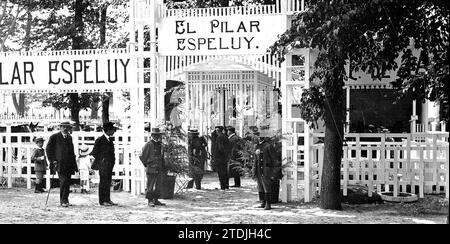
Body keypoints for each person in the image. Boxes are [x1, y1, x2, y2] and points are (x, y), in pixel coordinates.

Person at [45, 121, 78, 207]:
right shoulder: (54, 137)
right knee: (63, 181)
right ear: (60, 127)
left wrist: (74, 164)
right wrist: (52, 160)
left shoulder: (69, 137)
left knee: (67, 182)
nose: (66, 129)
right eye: (64, 127)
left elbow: (71, 151)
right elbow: (48, 149)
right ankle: (62, 200)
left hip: (69, 164)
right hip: (59, 164)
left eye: (67, 127)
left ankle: (66, 200)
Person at [90, 122, 118, 206]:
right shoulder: (100, 140)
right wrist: (102, 160)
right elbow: (94, 152)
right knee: (103, 182)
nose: (114, 131)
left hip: (109, 164)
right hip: (103, 164)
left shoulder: (109, 139)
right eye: (112, 129)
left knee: (108, 181)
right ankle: (102, 200)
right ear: (108, 130)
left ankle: (107, 199)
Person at [254, 131, 282, 210]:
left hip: (266, 169)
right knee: (260, 186)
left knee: (266, 186)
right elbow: (255, 159)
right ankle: (263, 202)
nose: (258, 137)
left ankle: (268, 203)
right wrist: (254, 169)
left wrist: (274, 171)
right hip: (259, 168)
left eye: (260, 136)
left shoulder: (268, 146)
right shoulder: (257, 146)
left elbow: (274, 159)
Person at [139, 127, 166, 207]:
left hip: (159, 167)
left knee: (159, 184)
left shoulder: (161, 144)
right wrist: (147, 165)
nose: (157, 137)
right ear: (152, 135)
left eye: (158, 135)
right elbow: (143, 156)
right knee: (150, 184)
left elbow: (162, 156)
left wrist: (162, 165)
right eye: (155, 135)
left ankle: (156, 199)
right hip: (151, 167)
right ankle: (150, 200)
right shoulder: (148, 145)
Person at [213, 126, 230, 190]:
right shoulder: (225, 137)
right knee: (225, 171)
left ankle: (222, 186)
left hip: (220, 157)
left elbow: (220, 148)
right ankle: (226, 185)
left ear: (218, 131)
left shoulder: (219, 137)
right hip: (225, 157)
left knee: (221, 172)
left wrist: (218, 155)